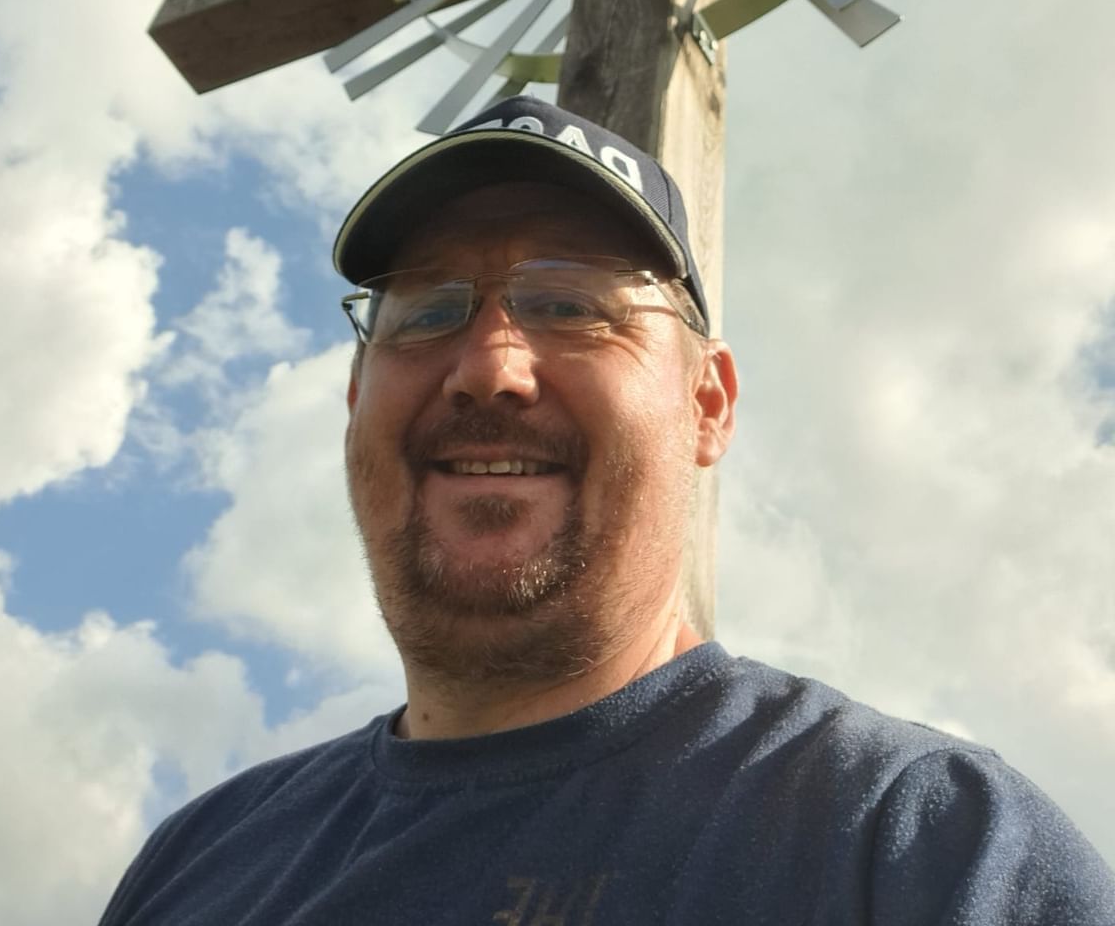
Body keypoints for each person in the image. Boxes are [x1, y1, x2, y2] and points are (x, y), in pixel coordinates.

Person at [99, 95, 1115, 925]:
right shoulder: (200, 863)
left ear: (706, 403)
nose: (488, 366)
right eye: (427, 309)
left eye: (571, 303)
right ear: (357, 394)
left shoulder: (923, 847)